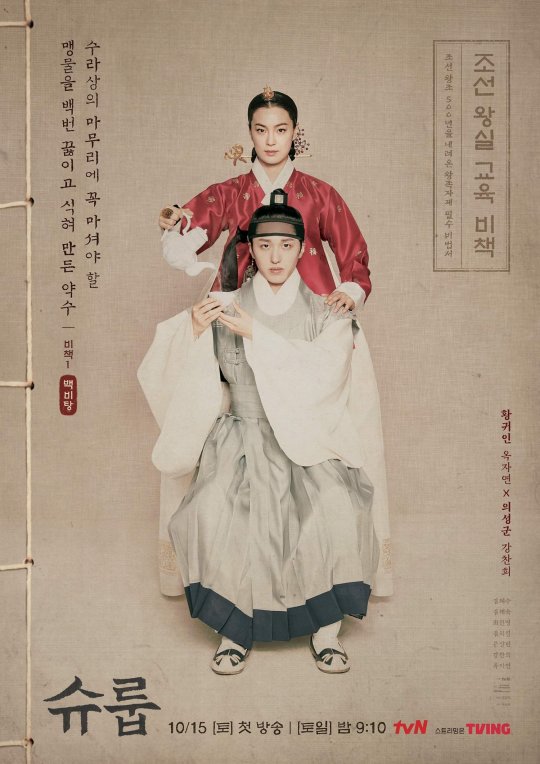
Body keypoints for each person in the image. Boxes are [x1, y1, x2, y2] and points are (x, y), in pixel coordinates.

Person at [138, 192, 388, 675]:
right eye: (265, 245)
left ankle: (326, 631)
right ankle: (235, 631)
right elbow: (184, 373)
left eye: (286, 246)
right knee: (215, 512)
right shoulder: (223, 305)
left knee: (335, 508)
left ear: (301, 249)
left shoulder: (325, 311)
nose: (275, 257)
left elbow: (327, 372)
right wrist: (191, 331)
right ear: (251, 247)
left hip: (306, 439)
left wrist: (258, 335)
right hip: (241, 436)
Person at [157, 87, 370, 316]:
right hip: (240, 301)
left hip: (309, 305)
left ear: (294, 131)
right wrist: (173, 220)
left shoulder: (320, 193)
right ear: (250, 131)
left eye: (281, 130)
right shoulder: (230, 192)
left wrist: (352, 288)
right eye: (261, 130)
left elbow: (352, 246)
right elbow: (188, 226)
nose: (270, 141)